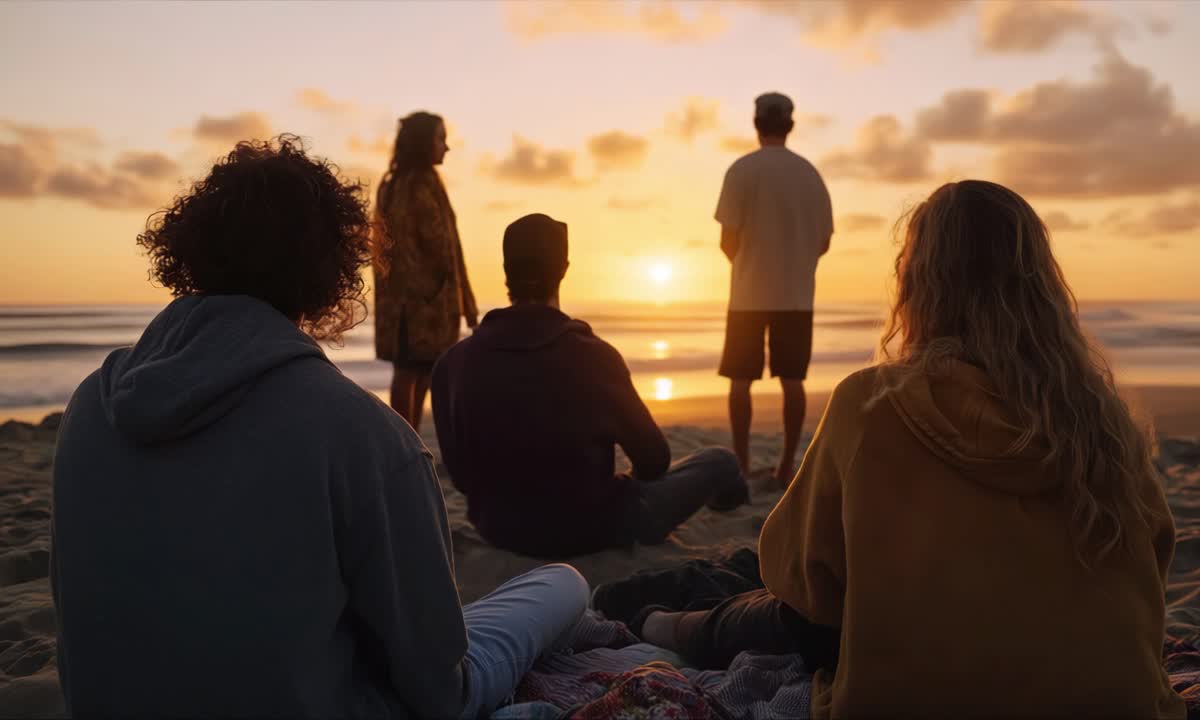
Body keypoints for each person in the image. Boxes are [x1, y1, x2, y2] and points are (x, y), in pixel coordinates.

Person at [50, 137, 588, 719]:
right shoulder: (362, 435)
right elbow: (436, 688)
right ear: (330, 269)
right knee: (562, 585)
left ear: (192, 248)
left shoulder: (88, 411)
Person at [636, 181, 1186, 718]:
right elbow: (1153, 563)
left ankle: (653, 622)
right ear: (1041, 283)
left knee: (771, 610)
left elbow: (799, 582)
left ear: (918, 281)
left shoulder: (873, 403)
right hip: (1117, 697)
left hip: (913, 694)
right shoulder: (1100, 420)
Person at [432, 213, 749, 558]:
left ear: (506, 271)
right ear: (564, 269)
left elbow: (462, 478)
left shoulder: (453, 364)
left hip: (499, 530)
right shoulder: (595, 356)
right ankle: (732, 508)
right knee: (720, 462)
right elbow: (655, 460)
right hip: (595, 530)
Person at [715, 92, 833, 489]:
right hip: (796, 295)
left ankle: (743, 468)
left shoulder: (742, 170)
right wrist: (796, 267)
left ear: (755, 123)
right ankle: (785, 467)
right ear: (791, 125)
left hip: (748, 294)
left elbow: (726, 238)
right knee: (793, 381)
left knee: (739, 381)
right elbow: (824, 240)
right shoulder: (809, 174)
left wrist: (748, 267)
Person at [373, 111, 477, 431]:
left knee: (421, 372)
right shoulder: (410, 185)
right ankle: (404, 441)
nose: (446, 147)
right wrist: (442, 292)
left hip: (423, 303)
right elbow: (433, 247)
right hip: (416, 306)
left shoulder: (409, 183)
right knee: (410, 372)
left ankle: (409, 439)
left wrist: (464, 299)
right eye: (440, 139)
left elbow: (447, 247)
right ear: (423, 143)